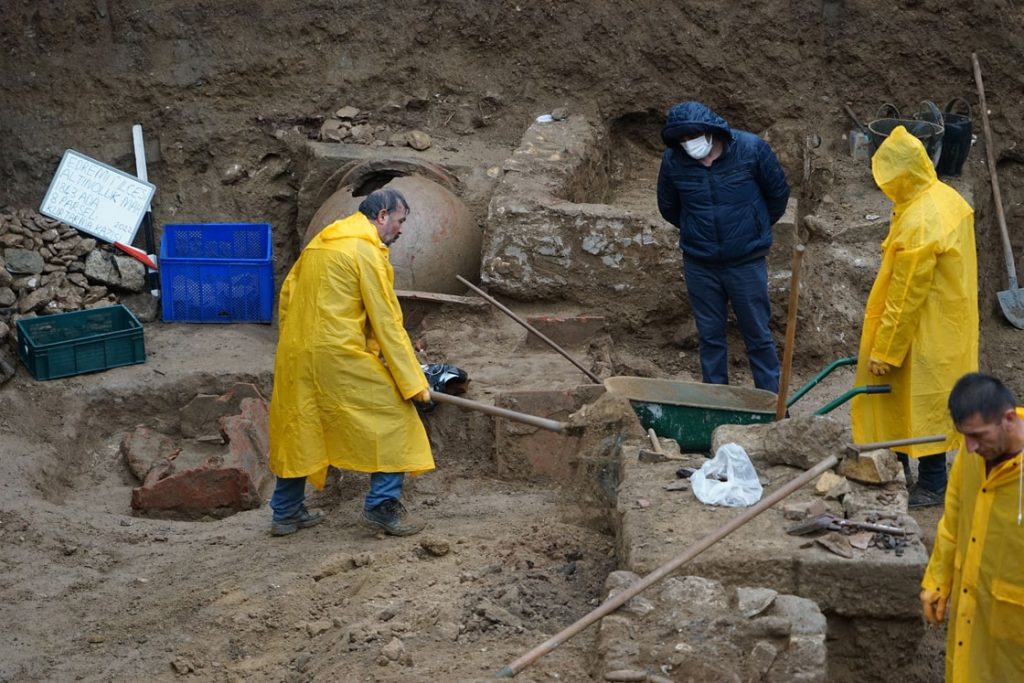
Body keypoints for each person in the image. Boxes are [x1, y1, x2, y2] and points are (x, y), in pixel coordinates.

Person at [267, 187, 433, 537]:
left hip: (296, 354)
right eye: (400, 221)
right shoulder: (365, 252)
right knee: (394, 420)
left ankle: (285, 512)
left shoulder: (320, 243)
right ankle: (381, 508)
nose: (401, 230)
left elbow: (287, 296)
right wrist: (414, 382)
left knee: (301, 425)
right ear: (382, 215)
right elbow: (386, 322)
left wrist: (293, 345)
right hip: (337, 354)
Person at [850, 125, 978, 508]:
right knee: (917, 401)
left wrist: (886, 350)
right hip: (950, 321)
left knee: (921, 405)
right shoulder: (944, 196)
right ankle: (900, 467)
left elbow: (905, 297)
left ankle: (933, 483)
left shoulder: (921, 221)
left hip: (922, 330)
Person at [656, 100, 791, 393]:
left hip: (746, 262)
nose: (687, 144)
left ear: (710, 131)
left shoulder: (751, 149)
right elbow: (668, 207)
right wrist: (699, 232)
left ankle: (772, 405)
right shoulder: (674, 161)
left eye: (691, 137)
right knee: (710, 337)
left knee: (758, 335)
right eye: (681, 140)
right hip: (700, 264)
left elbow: (778, 195)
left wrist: (752, 228)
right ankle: (717, 406)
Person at [920, 372, 1024, 681]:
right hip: (972, 618)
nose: (968, 447)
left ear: (1008, 418)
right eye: (963, 435)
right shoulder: (975, 456)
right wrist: (939, 579)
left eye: (978, 436)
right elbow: (953, 517)